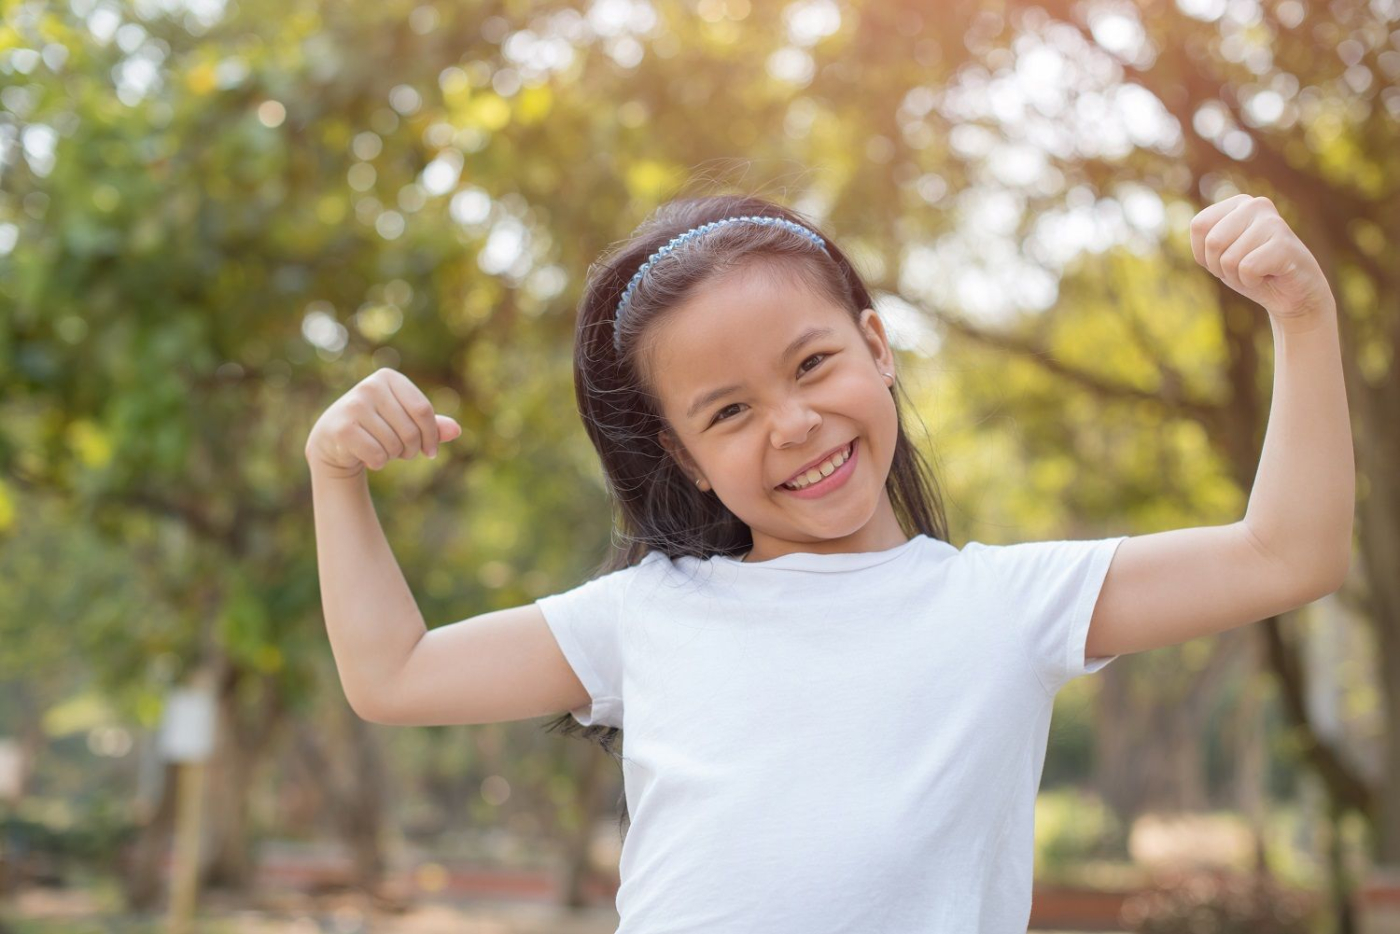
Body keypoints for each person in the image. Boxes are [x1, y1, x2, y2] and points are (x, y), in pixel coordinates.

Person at [304, 191, 1354, 932]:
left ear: (876, 347)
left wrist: (1301, 318)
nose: (794, 423)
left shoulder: (1006, 603)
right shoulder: (646, 614)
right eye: (729, 411)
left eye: (812, 364)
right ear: (685, 459)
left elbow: (1284, 553)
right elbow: (392, 674)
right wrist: (334, 473)